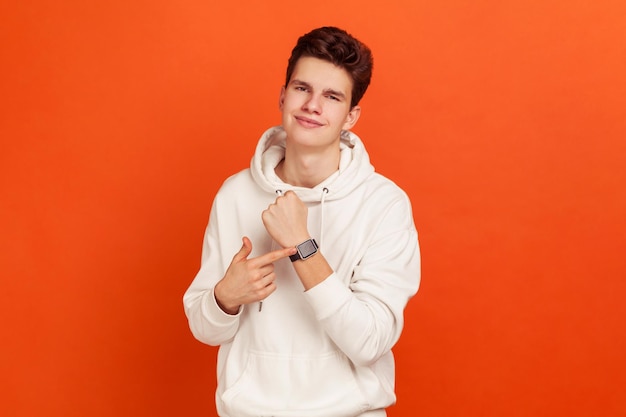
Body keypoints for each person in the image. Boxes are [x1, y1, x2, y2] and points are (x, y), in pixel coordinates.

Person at [183, 26, 421, 417]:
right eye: (302, 89)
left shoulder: (384, 204)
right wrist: (225, 298)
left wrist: (301, 246)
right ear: (282, 95)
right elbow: (205, 329)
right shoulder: (235, 194)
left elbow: (370, 341)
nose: (313, 105)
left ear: (351, 116)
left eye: (332, 97)